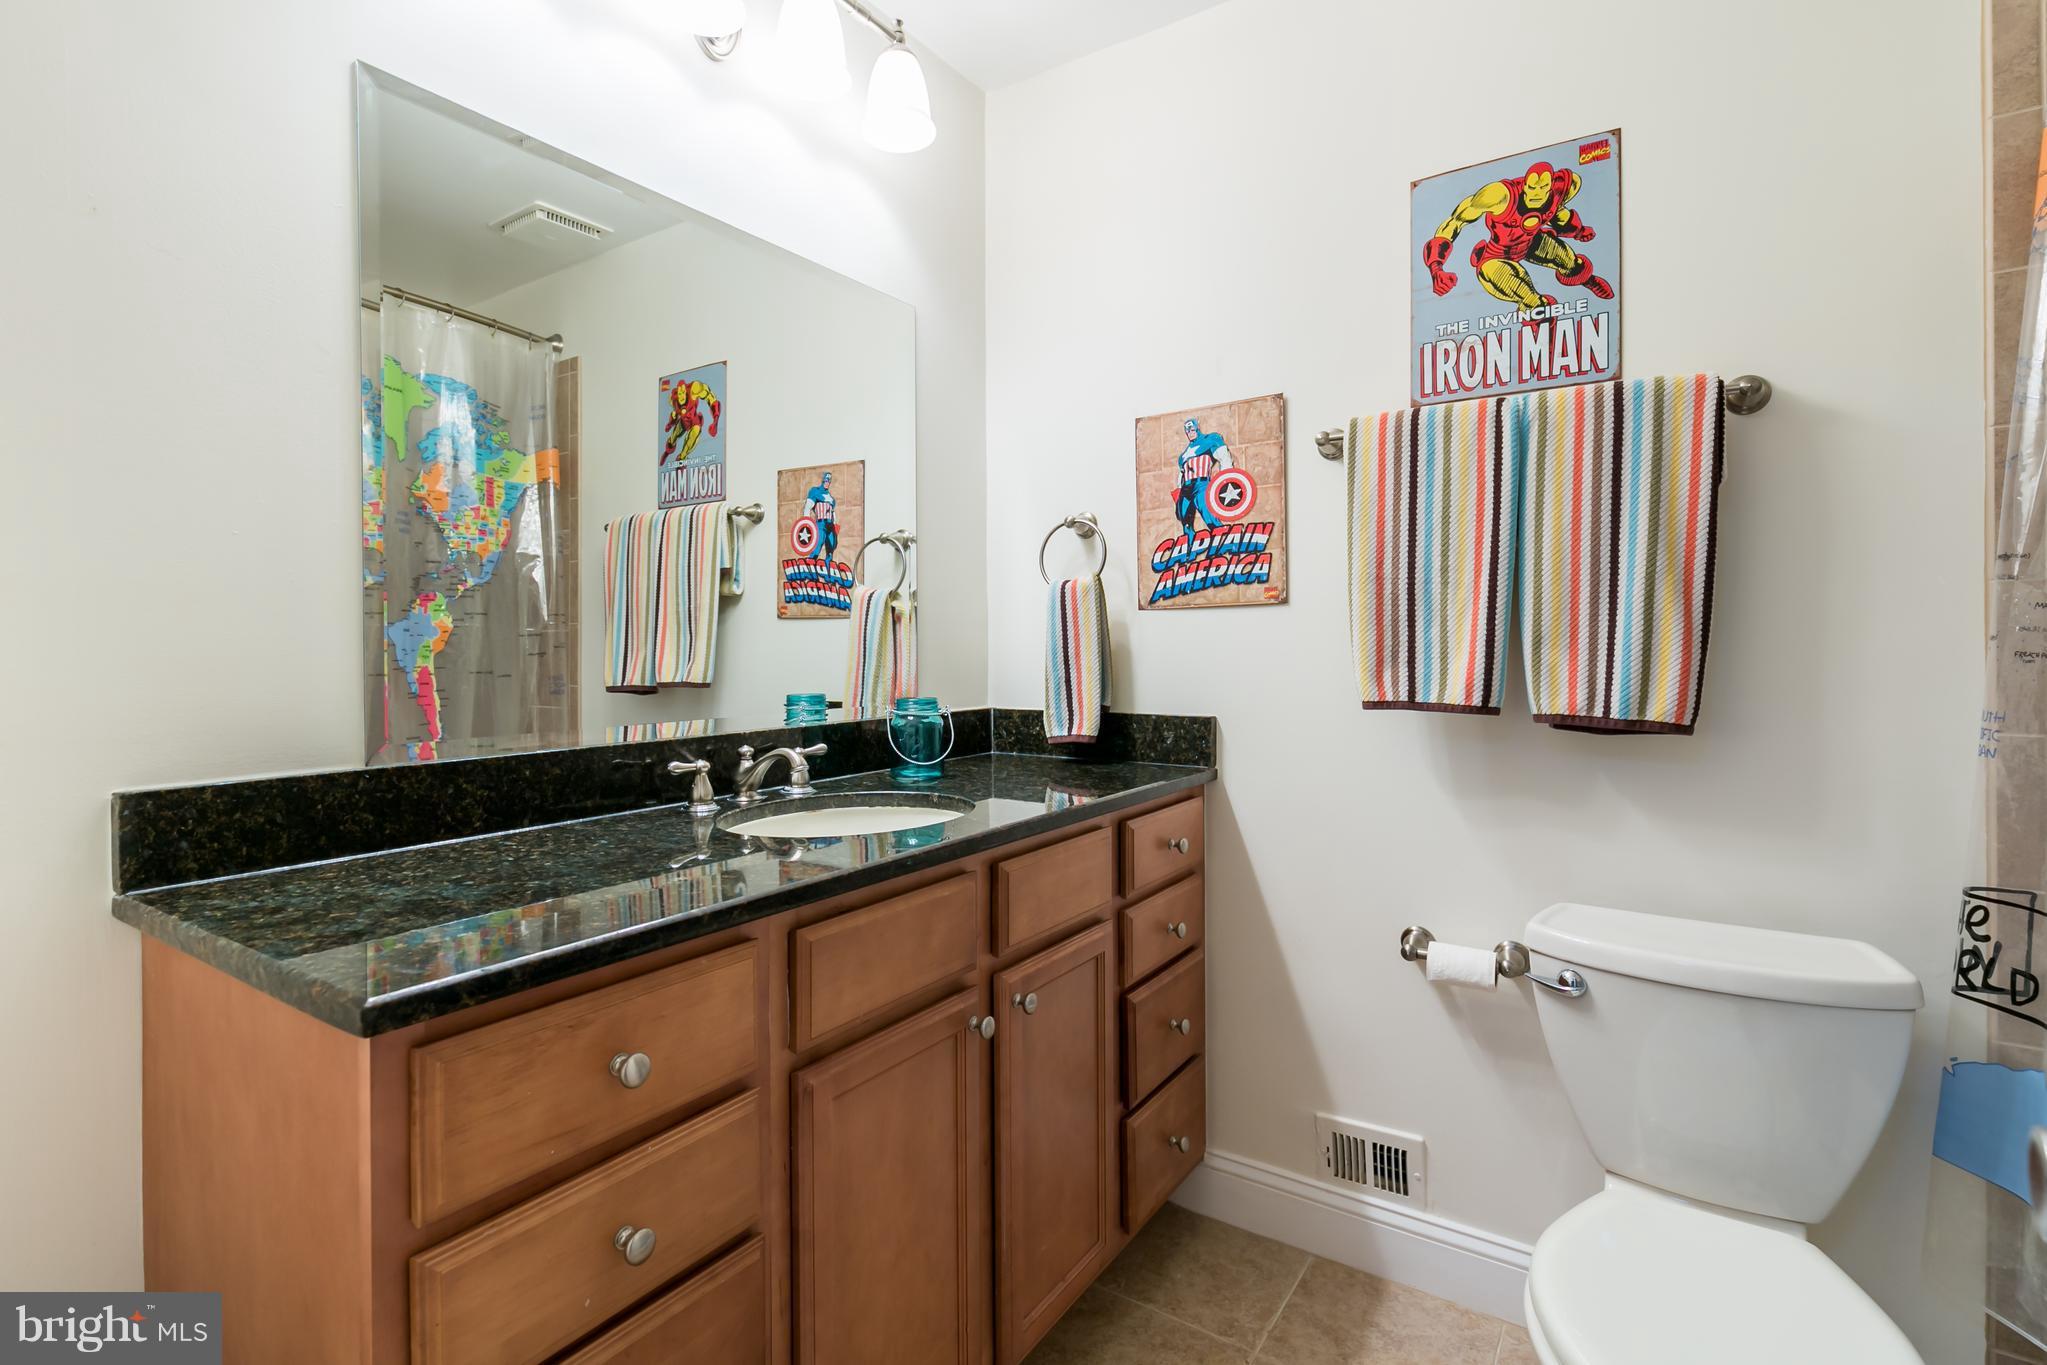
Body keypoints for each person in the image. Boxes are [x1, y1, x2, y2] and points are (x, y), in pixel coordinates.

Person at [1421, 160, 1613, 312]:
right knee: (1533, 302)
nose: (1536, 194)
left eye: (1542, 188)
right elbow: (1455, 222)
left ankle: (1587, 280)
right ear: (1525, 185)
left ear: (1550, 187)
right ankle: (1546, 338)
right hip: (1497, 255)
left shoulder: (1565, 187)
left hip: (1531, 242)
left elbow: (1557, 212)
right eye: (1532, 188)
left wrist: (1578, 230)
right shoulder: (1499, 196)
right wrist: (1436, 268)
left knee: (1571, 262)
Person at [1174, 419, 1234, 535]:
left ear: (1197, 428)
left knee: (1209, 516)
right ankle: (1190, 544)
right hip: (1186, 488)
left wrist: (1226, 479)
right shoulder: (1183, 455)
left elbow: (1224, 458)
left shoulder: (1210, 440)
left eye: (1192, 430)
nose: (1190, 433)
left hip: (1201, 484)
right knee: (1185, 521)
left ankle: (1225, 538)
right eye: (1188, 431)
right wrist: (1178, 494)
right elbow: (1181, 476)